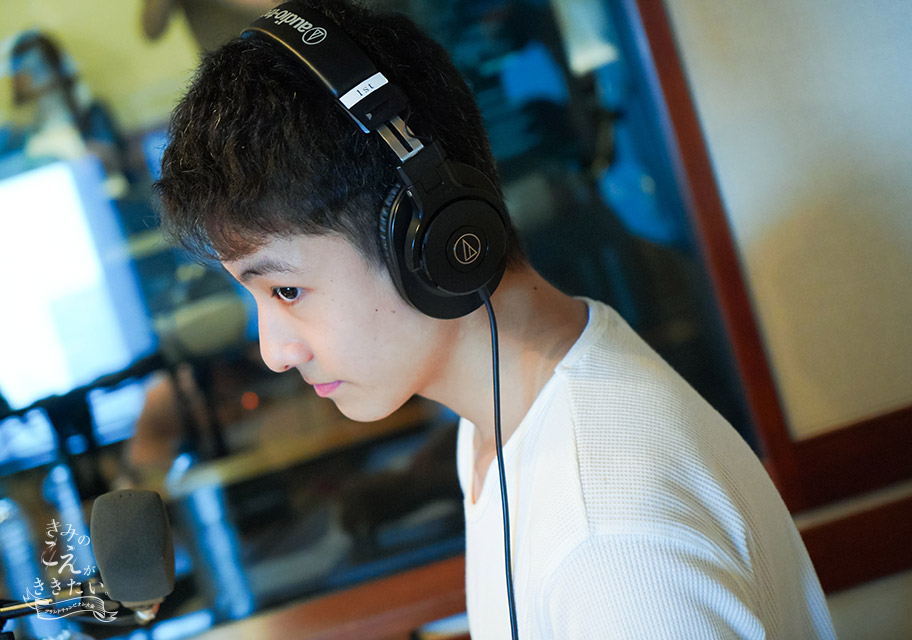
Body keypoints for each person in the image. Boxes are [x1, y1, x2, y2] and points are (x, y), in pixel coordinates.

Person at [155, 1, 836, 637]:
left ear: (430, 237)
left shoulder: (609, 542)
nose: (274, 351)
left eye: (286, 291)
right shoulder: (500, 426)